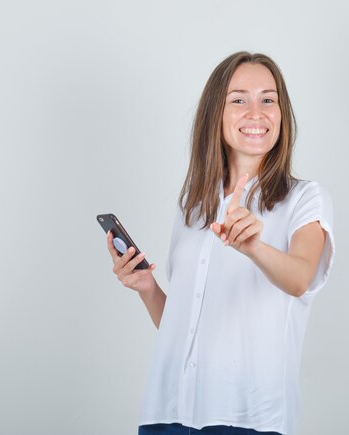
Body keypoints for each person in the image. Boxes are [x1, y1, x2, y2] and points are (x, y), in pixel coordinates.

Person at [106, 52, 335, 435]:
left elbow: (299, 278)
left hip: (247, 417)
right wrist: (147, 288)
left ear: (282, 113)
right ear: (216, 113)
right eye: (239, 99)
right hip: (169, 410)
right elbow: (184, 326)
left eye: (268, 99)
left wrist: (253, 247)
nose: (256, 112)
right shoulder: (193, 208)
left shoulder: (304, 199)